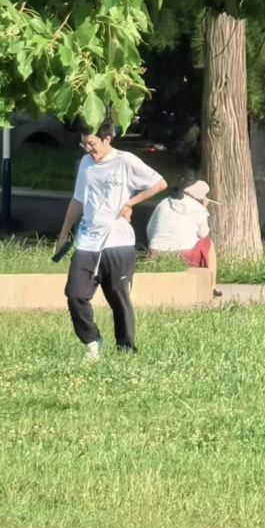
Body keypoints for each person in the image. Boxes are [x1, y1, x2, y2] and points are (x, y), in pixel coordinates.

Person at [55, 120, 167, 361]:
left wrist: (130, 203)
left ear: (107, 139)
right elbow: (78, 200)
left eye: (92, 144)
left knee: (118, 297)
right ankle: (92, 340)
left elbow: (160, 183)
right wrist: (63, 234)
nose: (88, 149)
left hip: (118, 242)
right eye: (84, 144)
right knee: (75, 294)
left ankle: (125, 349)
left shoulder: (125, 161)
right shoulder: (86, 164)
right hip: (87, 241)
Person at [147, 176, 218, 290]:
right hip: (185, 255)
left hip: (156, 254)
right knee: (208, 243)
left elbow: (150, 230)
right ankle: (212, 285)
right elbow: (203, 234)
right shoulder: (199, 209)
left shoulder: (163, 203)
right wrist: (204, 208)